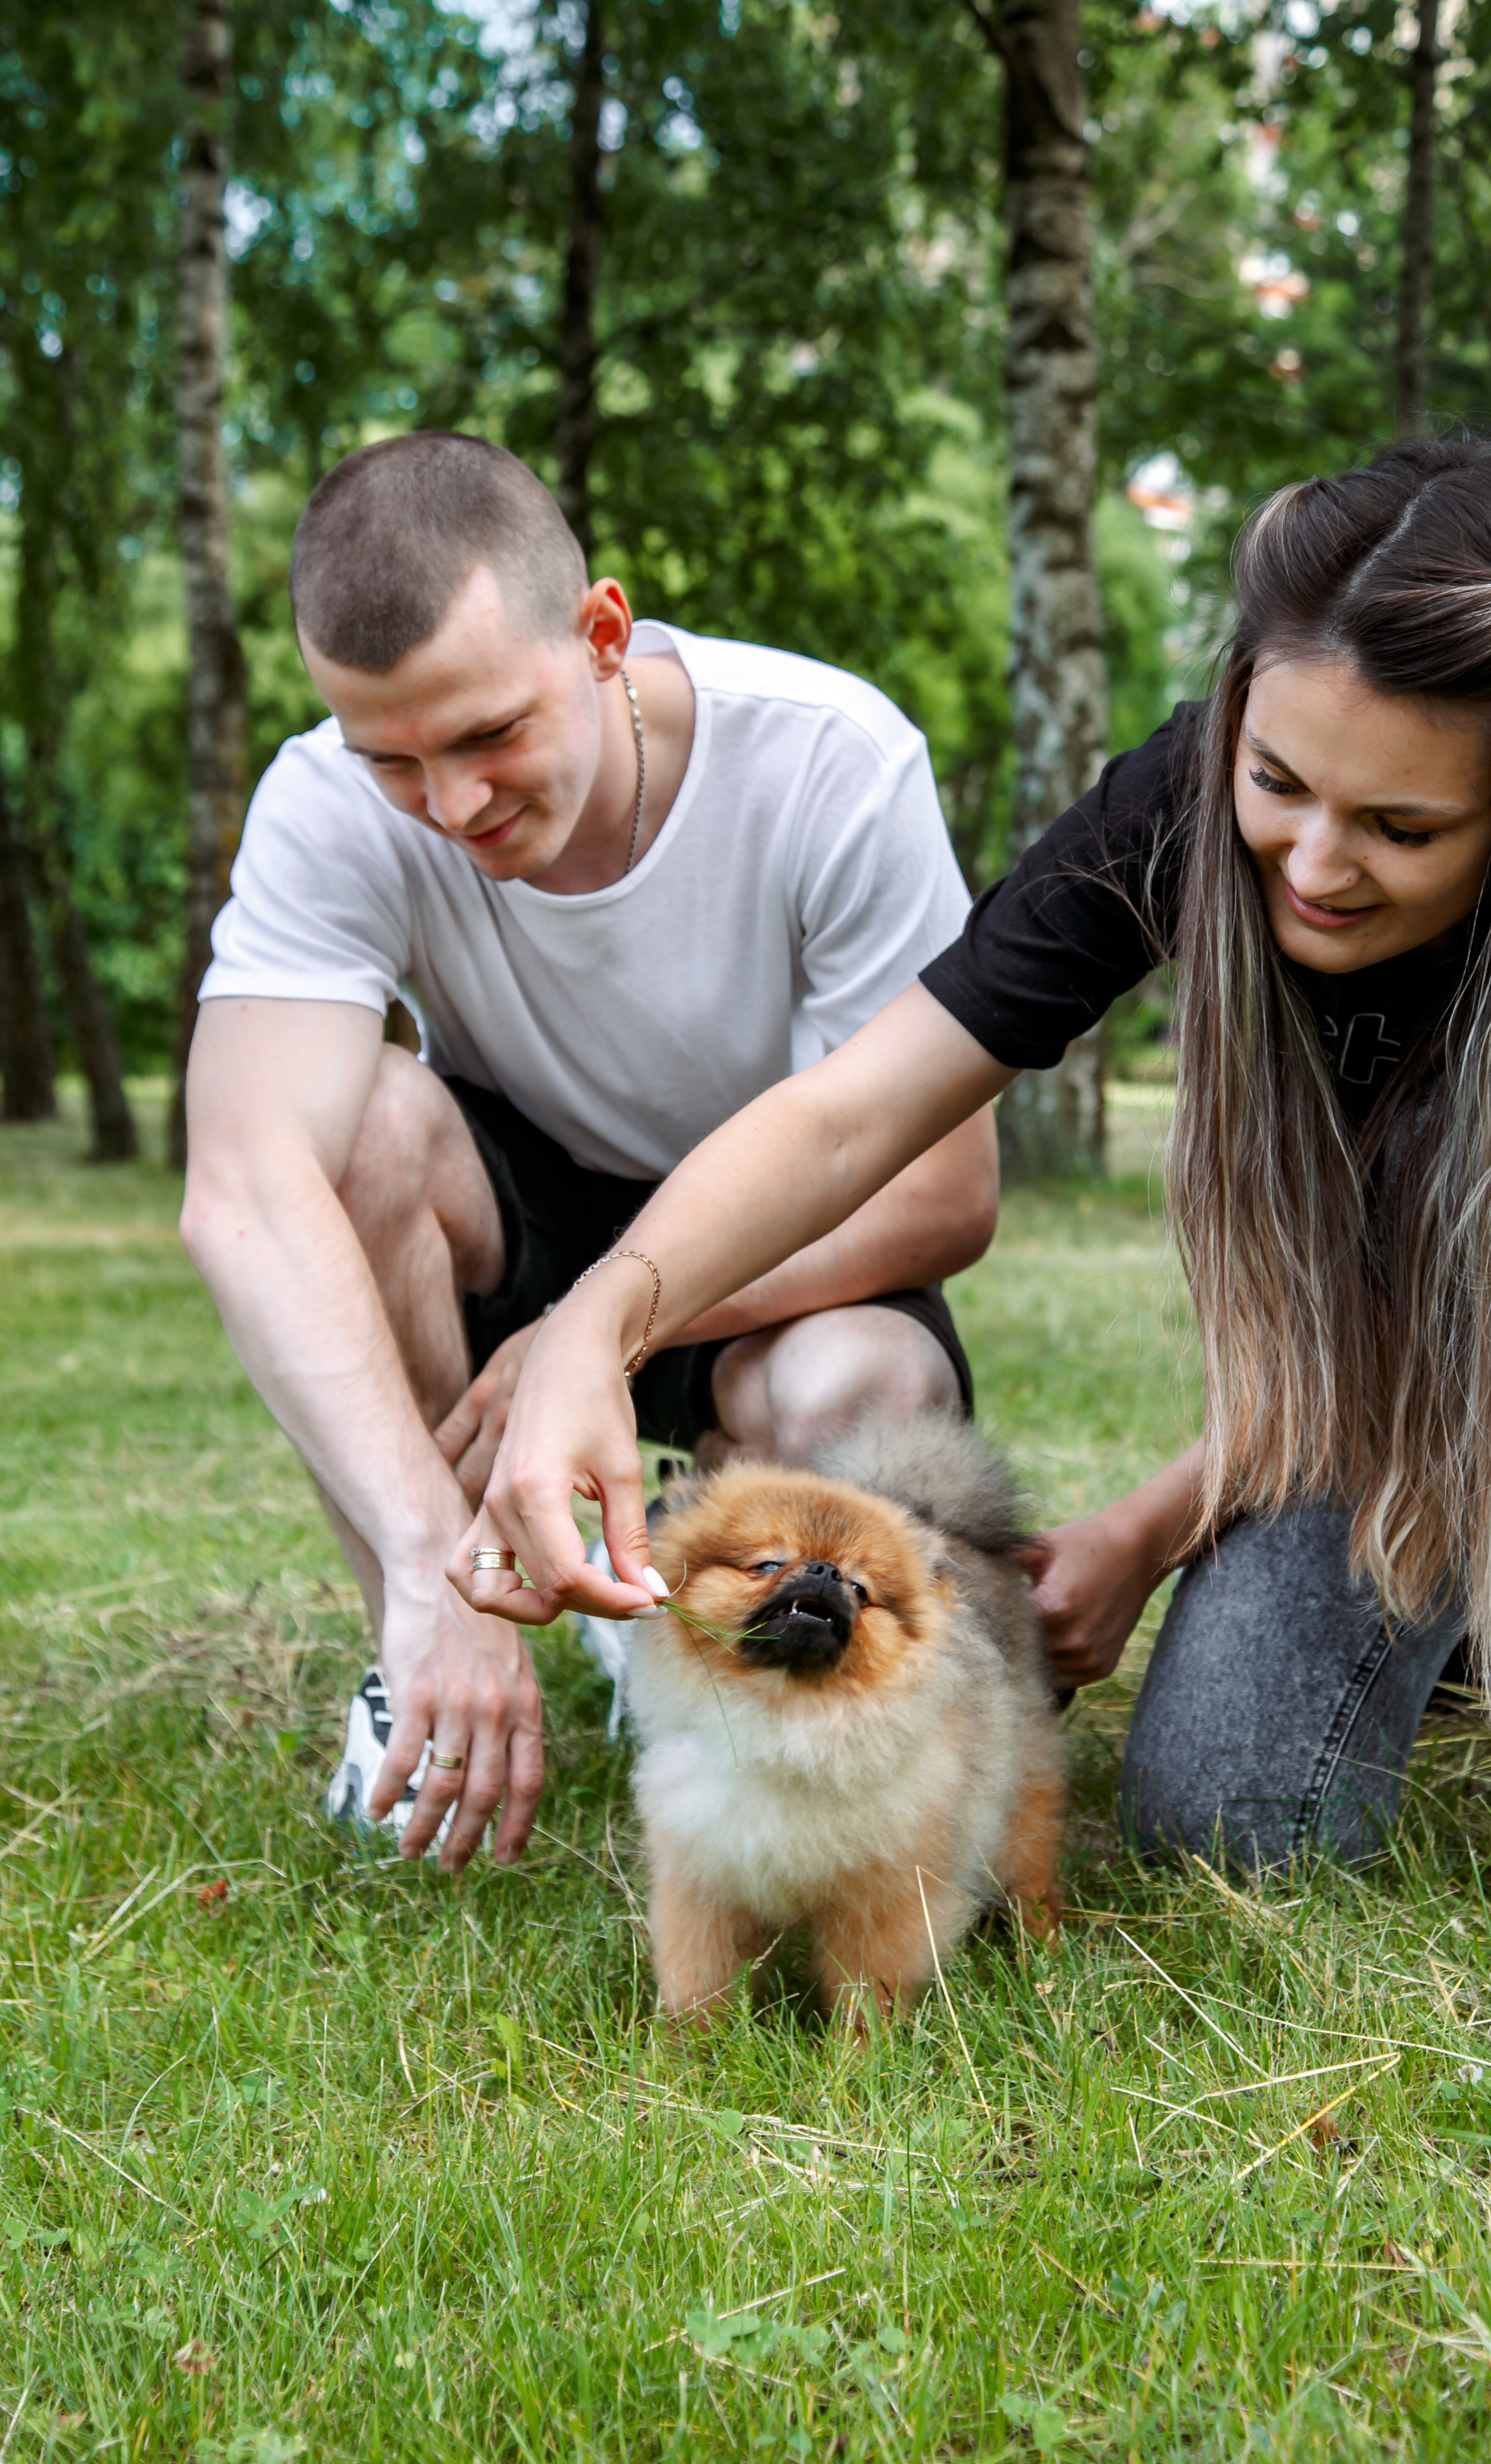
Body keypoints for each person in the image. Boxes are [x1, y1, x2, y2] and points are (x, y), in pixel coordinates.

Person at [452, 434, 1491, 1951]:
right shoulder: (1175, 810)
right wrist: (595, 1321)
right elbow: (847, 1116)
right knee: (1232, 1830)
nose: (1312, 864)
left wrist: (1153, 1523)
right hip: (1384, 1376)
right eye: (1275, 782)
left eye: (1400, 829)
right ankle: (1461, 1552)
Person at [178, 431, 999, 1874]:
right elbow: (243, 1192)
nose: (450, 804)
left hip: (786, 1248)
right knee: (355, 1132)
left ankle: (693, 1648)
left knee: (861, 1388)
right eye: (394, 759)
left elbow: (939, 1192)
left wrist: (593, 1330)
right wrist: (436, 1573)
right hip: (525, 1205)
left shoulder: (829, 757)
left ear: (602, 632)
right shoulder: (319, 805)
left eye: (490, 734)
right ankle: (438, 1645)